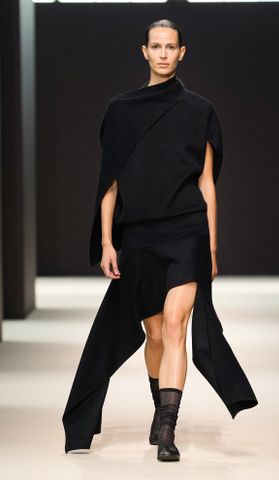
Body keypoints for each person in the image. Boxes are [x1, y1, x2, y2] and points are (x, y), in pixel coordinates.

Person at [62, 19, 258, 462]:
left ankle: (166, 430)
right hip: (139, 237)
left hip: (186, 231)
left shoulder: (200, 111)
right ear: (144, 52)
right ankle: (160, 411)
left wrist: (210, 244)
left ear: (182, 53)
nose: (164, 53)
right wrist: (108, 242)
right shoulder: (120, 111)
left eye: (171, 46)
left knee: (175, 326)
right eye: (156, 46)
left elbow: (207, 183)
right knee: (154, 334)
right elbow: (108, 184)